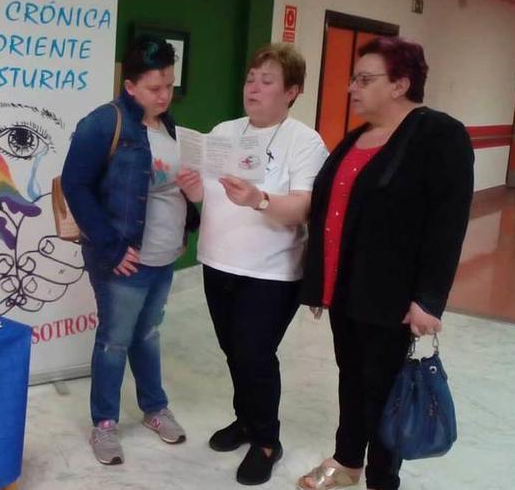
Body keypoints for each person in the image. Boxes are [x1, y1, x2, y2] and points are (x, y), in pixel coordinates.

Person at [295, 36, 473, 490]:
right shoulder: (357, 138)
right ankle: (348, 460)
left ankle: (382, 478)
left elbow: (447, 226)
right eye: (354, 78)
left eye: (364, 79)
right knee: (351, 380)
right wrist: (319, 283)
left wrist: (429, 300)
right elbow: (331, 213)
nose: (352, 88)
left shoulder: (439, 134)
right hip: (347, 291)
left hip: (393, 296)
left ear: (400, 85)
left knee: (386, 391)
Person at [176, 43, 328, 485]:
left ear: (292, 91)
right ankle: (245, 420)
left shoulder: (305, 142)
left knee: (255, 355)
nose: (254, 88)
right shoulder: (224, 131)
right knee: (233, 350)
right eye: (250, 79)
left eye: (267, 81)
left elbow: (300, 209)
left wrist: (259, 198)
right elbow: (209, 196)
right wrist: (191, 187)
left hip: (271, 272)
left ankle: (266, 440)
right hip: (218, 262)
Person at [61, 35, 198, 465]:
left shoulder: (169, 125)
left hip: (162, 256)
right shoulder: (105, 122)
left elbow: (165, 190)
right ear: (130, 85)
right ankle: (104, 424)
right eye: (155, 88)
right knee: (114, 341)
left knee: (148, 334)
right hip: (123, 257)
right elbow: (74, 186)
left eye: (170, 86)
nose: (164, 95)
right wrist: (112, 246)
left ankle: (154, 408)